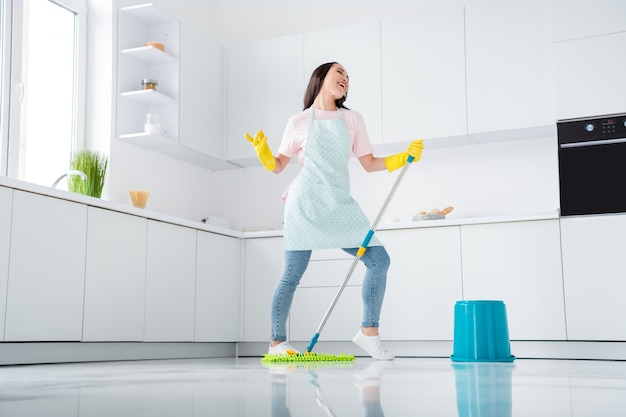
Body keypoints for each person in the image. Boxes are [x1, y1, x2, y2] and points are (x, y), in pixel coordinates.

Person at [245, 62, 423, 360]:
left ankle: (369, 333)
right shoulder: (298, 121)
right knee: (292, 273)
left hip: (338, 203)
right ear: (321, 78)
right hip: (305, 203)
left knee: (378, 259)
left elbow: (368, 162)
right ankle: (277, 345)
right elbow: (278, 165)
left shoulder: (352, 120)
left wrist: (401, 157)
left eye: (348, 77)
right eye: (339, 73)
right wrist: (264, 154)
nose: (345, 79)